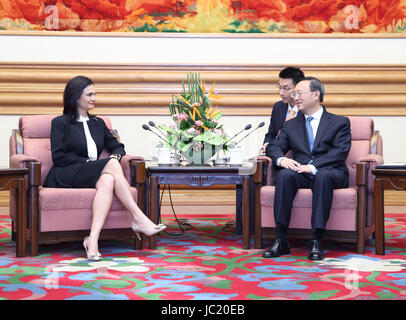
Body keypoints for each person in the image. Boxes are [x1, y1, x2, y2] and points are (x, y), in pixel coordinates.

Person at [43, 76, 166, 261]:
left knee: (108, 179)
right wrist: (89, 164)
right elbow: (58, 156)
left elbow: (118, 147)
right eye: (89, 94)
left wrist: (114, 158)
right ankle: (138, 218)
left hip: (90, 173)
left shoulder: (98, 123)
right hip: (65, 173)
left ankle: (92, 241)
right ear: (76, 97)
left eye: (95, 94)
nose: (94, 98)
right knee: (110, 165)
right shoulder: (59, 123)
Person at [263, 76, 351, 261]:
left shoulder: (339, 122)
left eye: (299, 93)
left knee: (322, 177)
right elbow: (273, 146)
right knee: (285, 175)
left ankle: (316, 240)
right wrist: (281, 160)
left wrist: (313, 167)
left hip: (330, 172)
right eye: (294, 94)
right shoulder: (291, 124)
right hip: (300, 172)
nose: (295, 98)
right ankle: (280, 240)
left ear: (316, 94)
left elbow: (340, 152)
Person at [259, 67, 305, 156]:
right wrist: (266, 145)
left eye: (286, 88)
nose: (281, 92)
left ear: (298, 88)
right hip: (278, 156)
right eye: (280, 87)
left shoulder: (307, 109)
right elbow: (271, 134)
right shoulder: (278, 107)